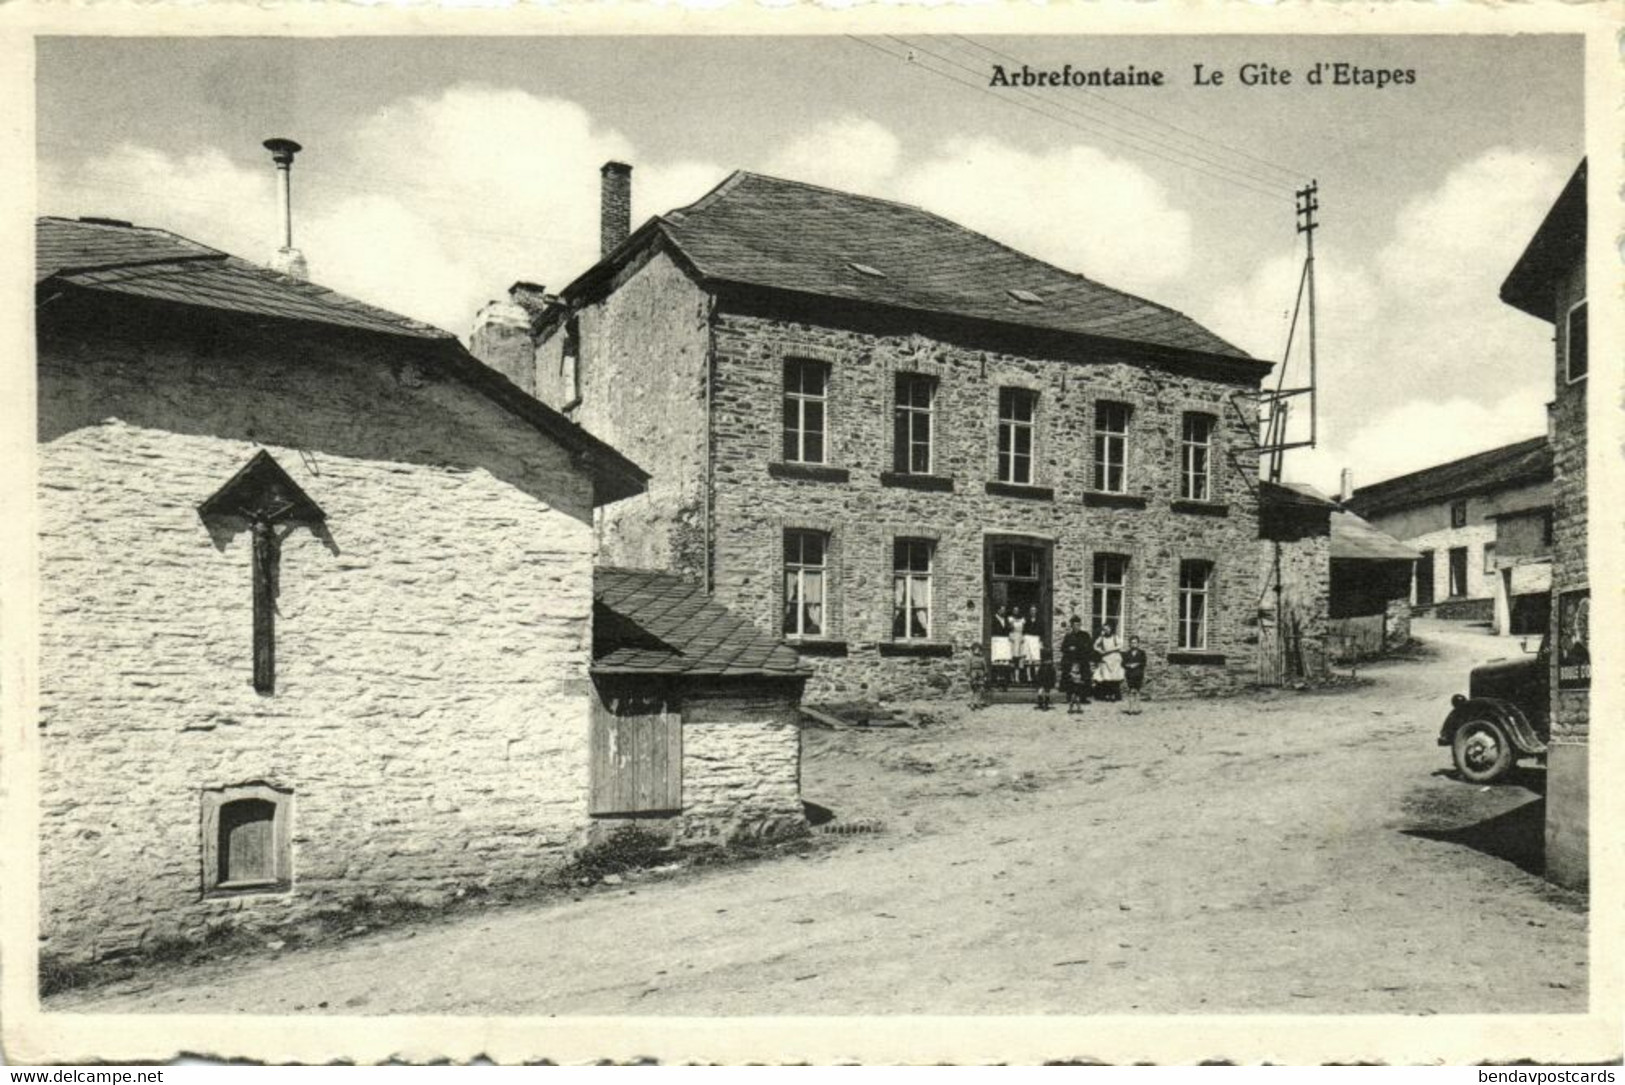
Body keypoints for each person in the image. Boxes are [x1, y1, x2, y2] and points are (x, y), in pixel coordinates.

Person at [1058, 615, 1092, 711]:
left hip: (1082, 660)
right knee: (1069, 678)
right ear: (1072, 625)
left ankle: (1083, 698)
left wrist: (1078, 648)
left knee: (1083, 678)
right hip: (1071, 660)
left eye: (1078, 624)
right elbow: (1063, 648)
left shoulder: (1085, 635)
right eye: (1075, 625)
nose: (1077, 626)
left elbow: (1089, 647)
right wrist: (1069, 648)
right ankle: (1069, 697)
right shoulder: (1068, 636)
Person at [1094, 621, 1125, 703]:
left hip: (1114, 658)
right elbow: (1095, 645)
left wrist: (1110, 650)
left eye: (1108, 628)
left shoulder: (1115, 637)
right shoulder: (1102, 638)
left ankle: (1114, 695)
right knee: (1106, 677)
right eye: (1105, 629)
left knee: (1114, 678)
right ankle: (1107, 694)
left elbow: (1120, 645)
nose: (1106, 630)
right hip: (1106, 659)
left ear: (1111, 629)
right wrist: (1100, 650)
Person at [1122, 635, 1149, 714]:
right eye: (1132, 643)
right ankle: (1130, 708)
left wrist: (1136, 664)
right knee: (1130, 690)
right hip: (1130, 674)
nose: (1133, 644)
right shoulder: (1127, 653)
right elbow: (1123, 663)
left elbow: (1143, 663)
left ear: (1138, 644)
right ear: (1129, 644)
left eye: (1135, 643)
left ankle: (1137, 708)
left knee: (1137, 690)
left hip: (1138, 674)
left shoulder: (1142, 653)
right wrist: (1128, 665)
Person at [989, 605, 1014, 691]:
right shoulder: (993, 619)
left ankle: (1004, 683)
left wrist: (1011, 627)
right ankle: (996, 682)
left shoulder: (1006, 620)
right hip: (997, 640)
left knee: (1005, 663)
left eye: (1004, 610)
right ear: (998, 610)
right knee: (997, 662)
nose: (1003, 611)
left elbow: (1008, 630)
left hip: (1005, 641)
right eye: (1002, 610)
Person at [1022, 605, 1045, 687]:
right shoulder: (1026, 620)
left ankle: (1037, 676)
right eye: (1031, 610)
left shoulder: (1040, 620)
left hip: (1036, 639)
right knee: (1028, 658)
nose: (1033, 612)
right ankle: (1029, 677)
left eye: (1034, 610)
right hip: (1027, 638)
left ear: (1036, 611)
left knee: (1036, 657)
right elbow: (1023, 630)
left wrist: (1041, 640)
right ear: (1029, 612)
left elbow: (1042, 631)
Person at [1008, 607, 1028, 684]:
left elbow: (1024, 629)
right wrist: (1012, 624)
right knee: (1012, 657)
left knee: (1019, 658)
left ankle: (1017, 677)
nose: (1016, 612)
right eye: (1014, 610)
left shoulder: (1023, 620)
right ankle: (1011, 676)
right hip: (1013, 637)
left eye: (1017, 610)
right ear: (1012, 611)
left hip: (1020, 637)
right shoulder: (1010, 619)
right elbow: (1010, 628)